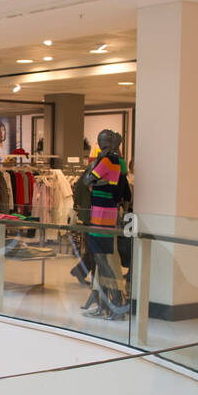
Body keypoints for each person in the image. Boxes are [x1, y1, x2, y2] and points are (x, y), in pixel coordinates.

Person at [82, 129, 130, 319]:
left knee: (104, 262)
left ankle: (117, 304)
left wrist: (96, 177)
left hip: (102, 216)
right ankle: (106, 304)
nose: (101, 143)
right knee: (101, 261)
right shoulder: (117, 161)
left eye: (103, 140)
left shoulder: (108, 161)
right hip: (105, 214)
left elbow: (86, 180)